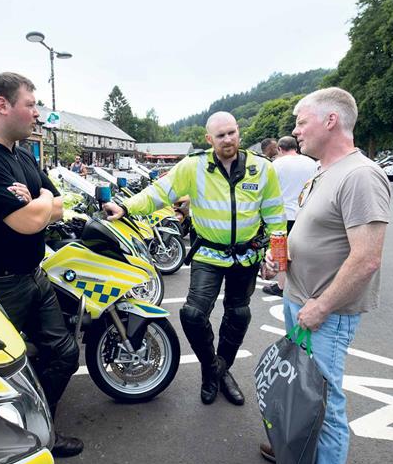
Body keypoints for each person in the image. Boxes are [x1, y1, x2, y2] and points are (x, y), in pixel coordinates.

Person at [103, 111, 286, 406]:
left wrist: (277, 259)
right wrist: (125, 207)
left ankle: (222, 369)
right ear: (208, 139)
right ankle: (210, 368)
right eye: (221, 135)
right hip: (209, 254)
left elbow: (277, 218)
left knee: (238, 314)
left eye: (232, 132)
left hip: (246, 255)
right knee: (192, 314)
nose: (228, 139)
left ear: (239, 132)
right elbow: (158, 193)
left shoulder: (262, 169)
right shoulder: (194, 166)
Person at [259, 88, 391, 464]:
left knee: (326, 408)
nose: (295, 131)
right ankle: (300, 455)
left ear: (330, 120)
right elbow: (319, 237)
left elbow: (367, 258)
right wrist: (281, 265)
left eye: (302, 121)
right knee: (303, 397)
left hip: (324, 316)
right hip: (300, 302)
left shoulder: (361, 175)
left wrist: (321, 306)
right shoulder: (323, 171)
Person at [0, 72, 83, 458]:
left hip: (34, 276)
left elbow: (57, 204)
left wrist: (37, 199)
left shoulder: (19, 154)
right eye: (30, 104)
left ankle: (43, 433)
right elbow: (29, 220)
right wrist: (38, 206)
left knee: (64, 354)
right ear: (2, 105)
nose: (37, 113)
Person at [262, 135, 318, 297]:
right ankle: (307, 285)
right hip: (305, 213)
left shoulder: (275, 164)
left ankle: (281, 286)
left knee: (281, 251)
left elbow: (268, 190)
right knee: (304, 250)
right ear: (296, 147)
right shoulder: (311, 163)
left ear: (279, 149)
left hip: (282, 215)